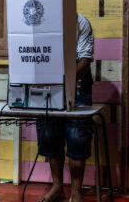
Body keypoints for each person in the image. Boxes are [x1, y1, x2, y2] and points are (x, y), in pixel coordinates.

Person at [37, 13, 94, 202]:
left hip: (77, 88)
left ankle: (76, 191)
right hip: (50, 89)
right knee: (50, 136)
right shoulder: (43, 21)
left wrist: (64, 83)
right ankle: (58, 187)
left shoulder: (81, 23)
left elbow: (85, 59)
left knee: (77, 138)